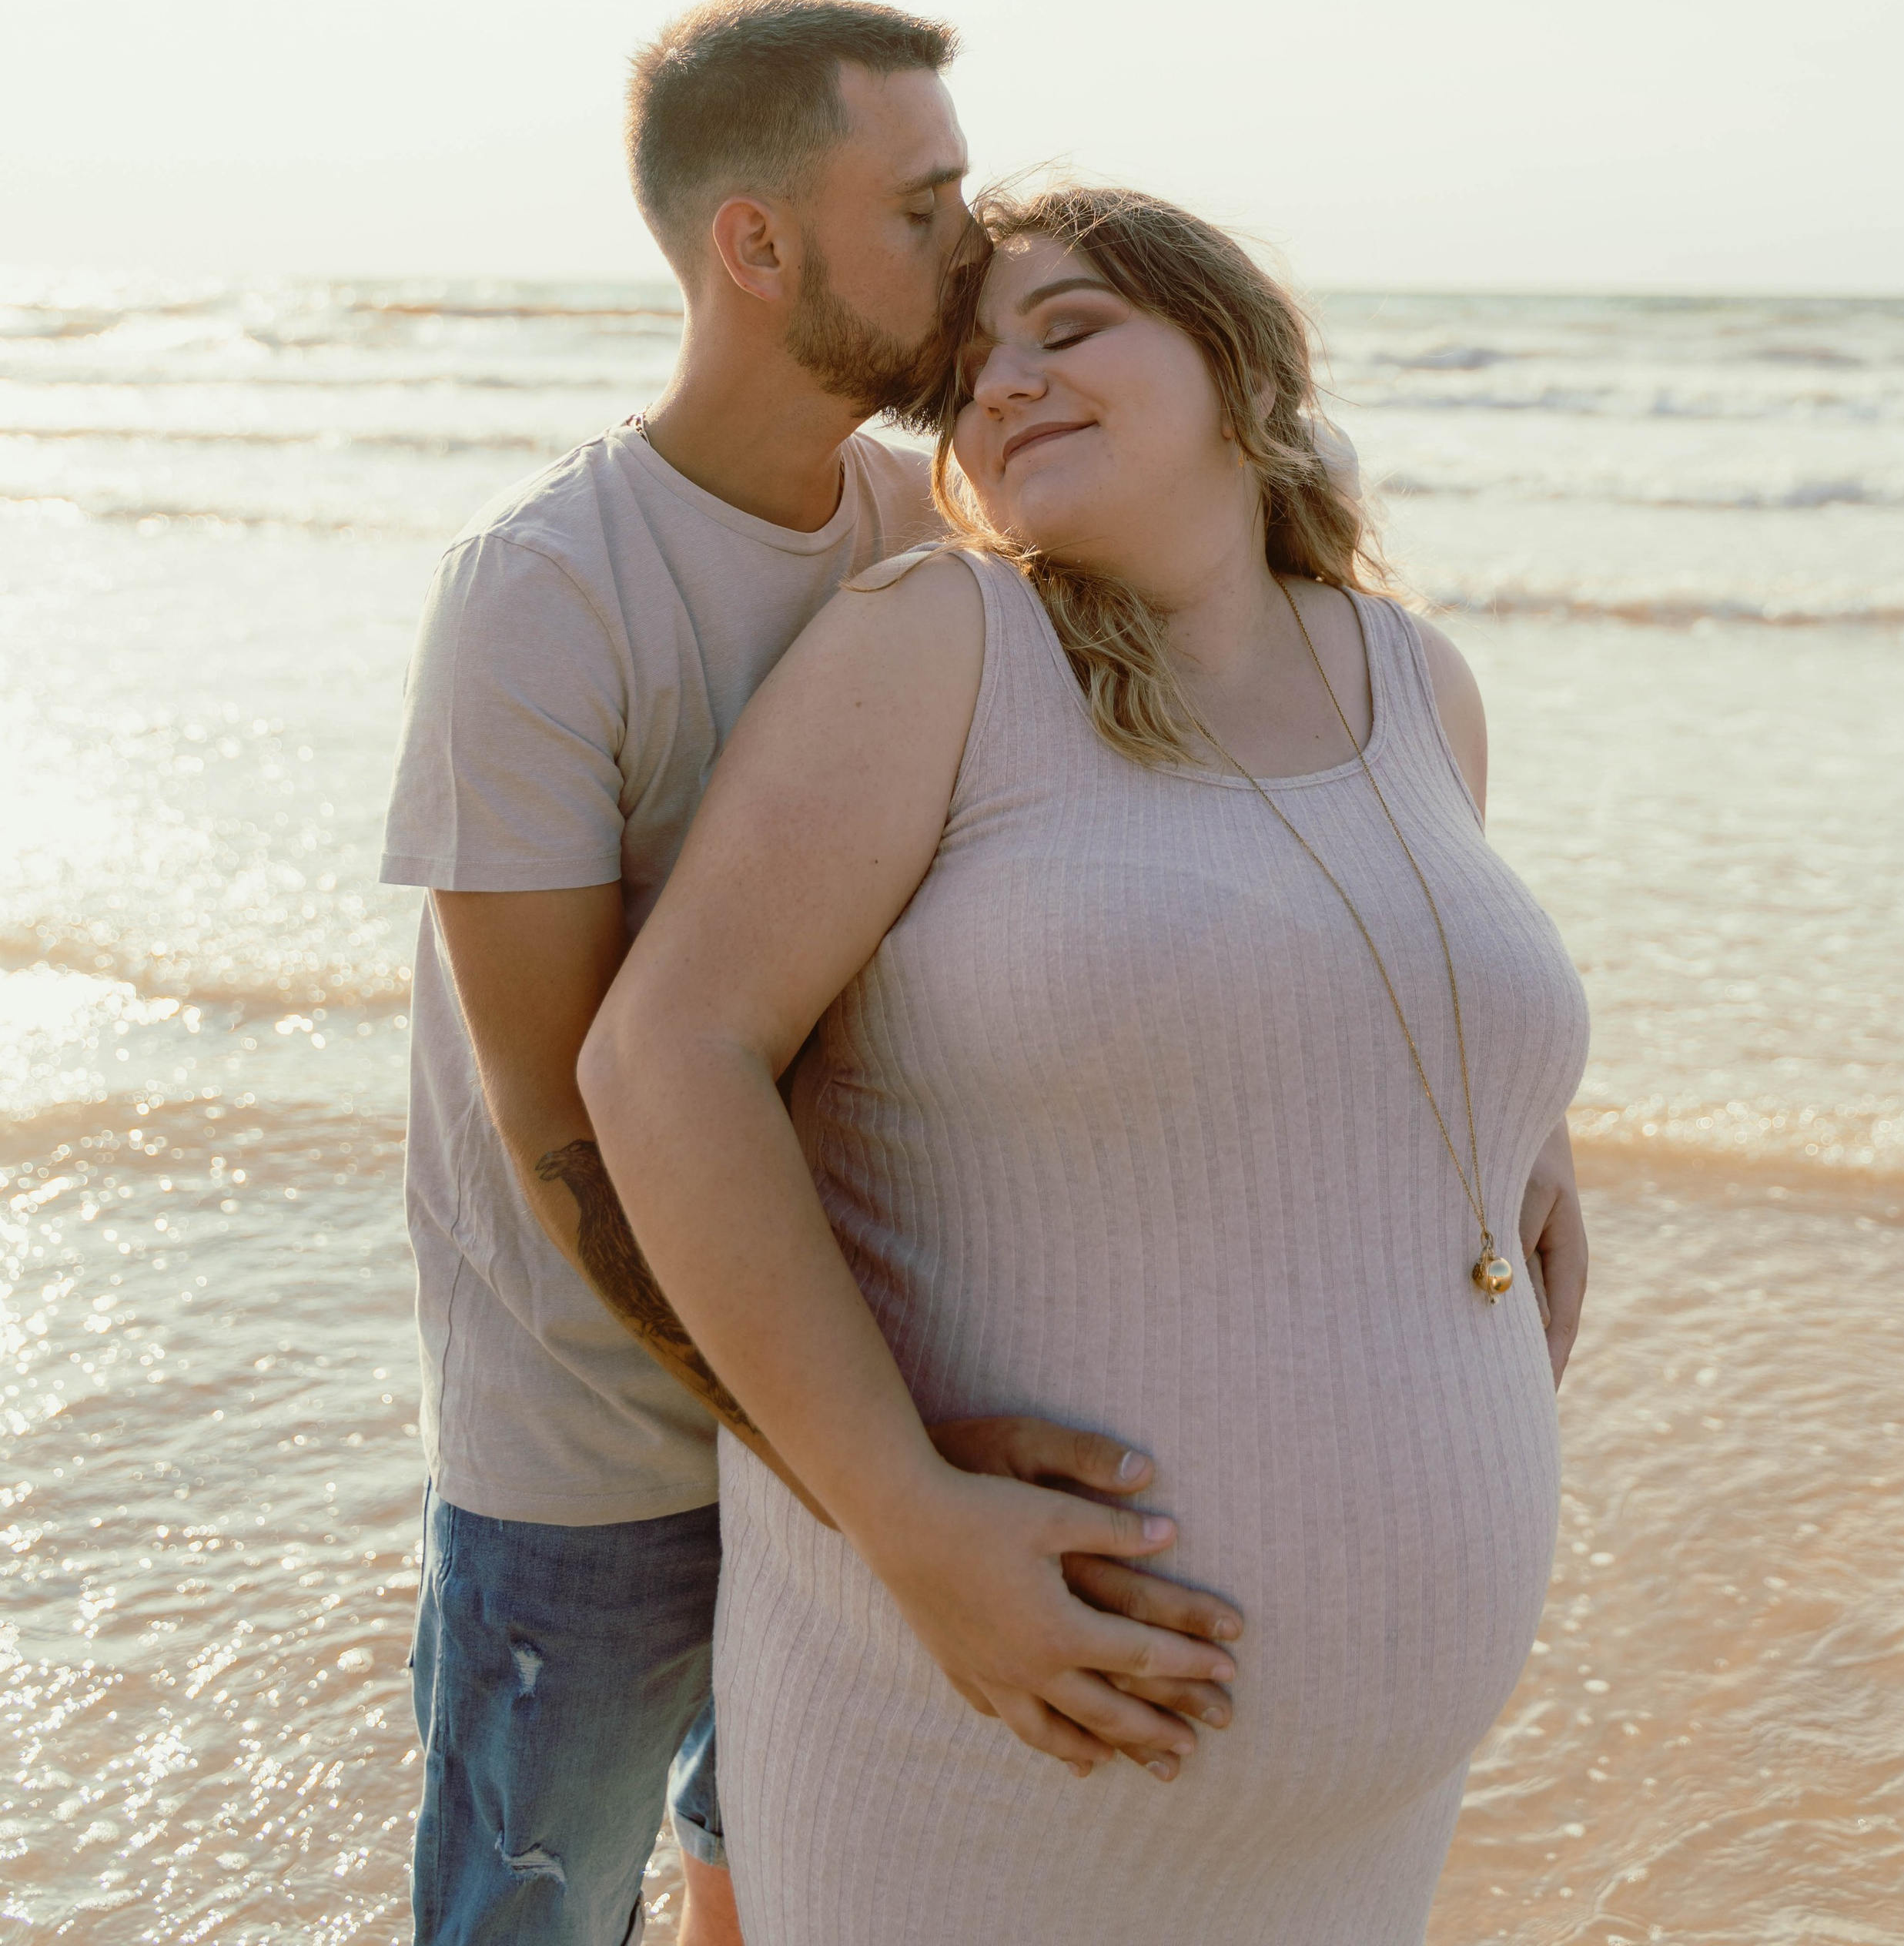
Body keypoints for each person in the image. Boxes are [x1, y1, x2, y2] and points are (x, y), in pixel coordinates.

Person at [580, 180, 1591, 1946]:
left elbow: (1346, 989)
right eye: (970, 373)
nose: (1007, 387)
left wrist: (1522, 1132)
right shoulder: (940, 646)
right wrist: (900, 1519)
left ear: (1236, 363)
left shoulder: (1415, 679)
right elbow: (663, 1062)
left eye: (1068, 330)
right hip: (990, 1736)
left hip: (1362, 1816)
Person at [380, 22, 1241, 1946]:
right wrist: (881, 1485)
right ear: (759, 249)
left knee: (770, 1894)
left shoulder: (927, 539)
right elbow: (567, 1138)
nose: (976, 246)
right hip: (592, 1461)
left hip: (850, 1406)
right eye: (924, 210)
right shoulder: (547, 592)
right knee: (524, 1920)